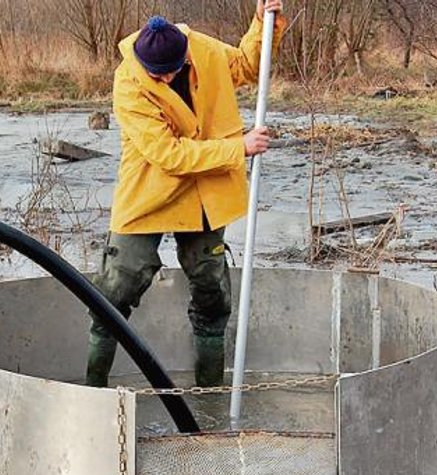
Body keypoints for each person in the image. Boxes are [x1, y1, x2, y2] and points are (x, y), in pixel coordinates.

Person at [86, 1, 287, 388]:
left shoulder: (205, 50)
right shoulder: (128, 82)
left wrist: (264, 22)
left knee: (212, 291)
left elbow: (247, 65)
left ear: (185, 58)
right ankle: (93, 389)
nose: (162, 81)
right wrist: (237, 149)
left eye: (169, 74)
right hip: (149, 193)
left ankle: (209, 399)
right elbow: (169, 155)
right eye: (155, 76)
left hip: (205, 193)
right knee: (115, 288)